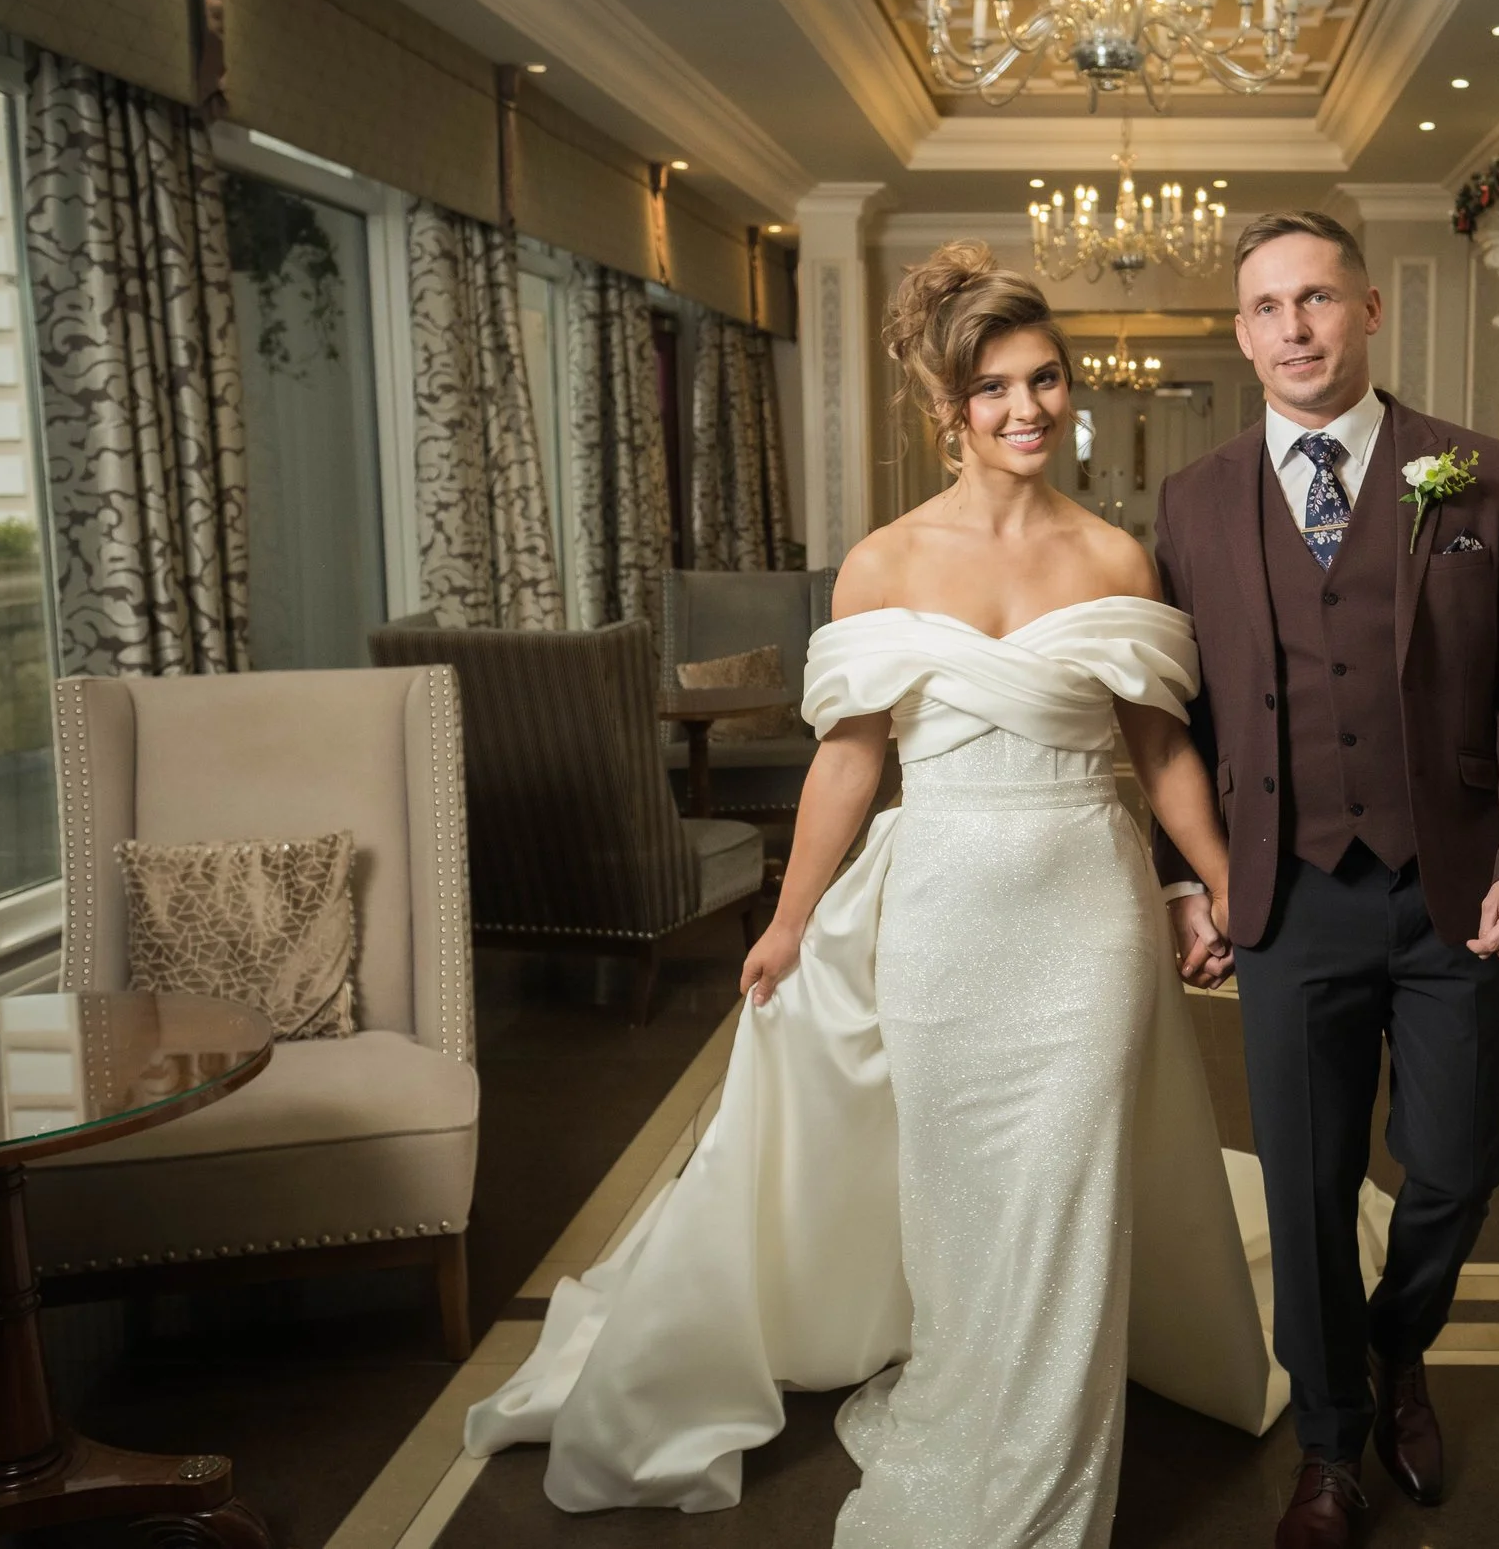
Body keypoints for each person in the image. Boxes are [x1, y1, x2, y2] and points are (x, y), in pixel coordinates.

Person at [463, 243, 1285, 1547]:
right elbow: (848, 762)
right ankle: (964, 1397)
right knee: (961, 1200)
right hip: (945, 917)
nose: (1027, 408)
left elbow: (1162, 750)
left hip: (1090, 916)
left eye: (1046, 379)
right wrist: (788, 920)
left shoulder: (1119, 561)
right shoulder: (880, 567)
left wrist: (1228, 881)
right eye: (993, 388)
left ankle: (1046, 1487)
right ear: (947, 408)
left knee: (1067, 1196)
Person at [1154, 210, 1499, 1549]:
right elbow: (1172, 714)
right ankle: (1329, 1446)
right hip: (1282, 894)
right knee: (1308, 1181)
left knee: (1455, 1166)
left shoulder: (1482, 475)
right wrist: (1188, 882)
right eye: (1269, 306)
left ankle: (1400, 1347)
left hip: (1453, 887)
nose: (1295, 327)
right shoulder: (1192, 498)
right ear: (1243, 332)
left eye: (1319, 299)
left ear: (1369, 311)